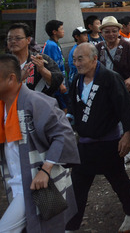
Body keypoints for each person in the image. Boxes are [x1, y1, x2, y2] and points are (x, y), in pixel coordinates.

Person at [66, 43, 130, 233]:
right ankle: (71, 226)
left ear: (94, 58)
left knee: (118, 181)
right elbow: (74, 109)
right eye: (74, 60)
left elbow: (126, 108)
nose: (76, 63)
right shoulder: (76, 80)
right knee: (77, 187)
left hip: (109, 143)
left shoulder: (110, 78)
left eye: (80, 59)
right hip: (84, 144)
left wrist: (127, 135)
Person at [0, 54, 80, 233]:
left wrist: (45, 169)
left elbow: (63, 134)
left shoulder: (35, 101)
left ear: (11, 78)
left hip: (33, 181)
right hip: (16, 180)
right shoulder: (3, 105)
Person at [6, 23, 64, 97]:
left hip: (37, 105)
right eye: (9, 39)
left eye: (18, 38)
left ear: (28, 40)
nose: (13, 41)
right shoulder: (4, 64)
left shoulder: (41, 59)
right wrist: (19, 79)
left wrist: (42, 70)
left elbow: (58, 80)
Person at [95, 16, 130, 99]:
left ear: (119, 31)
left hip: (124, 91)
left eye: (114, 31)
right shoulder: (98, 48)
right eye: (107, 32)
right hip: (104, 91)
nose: (111, 34)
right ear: (102, 33)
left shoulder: (129, 47)